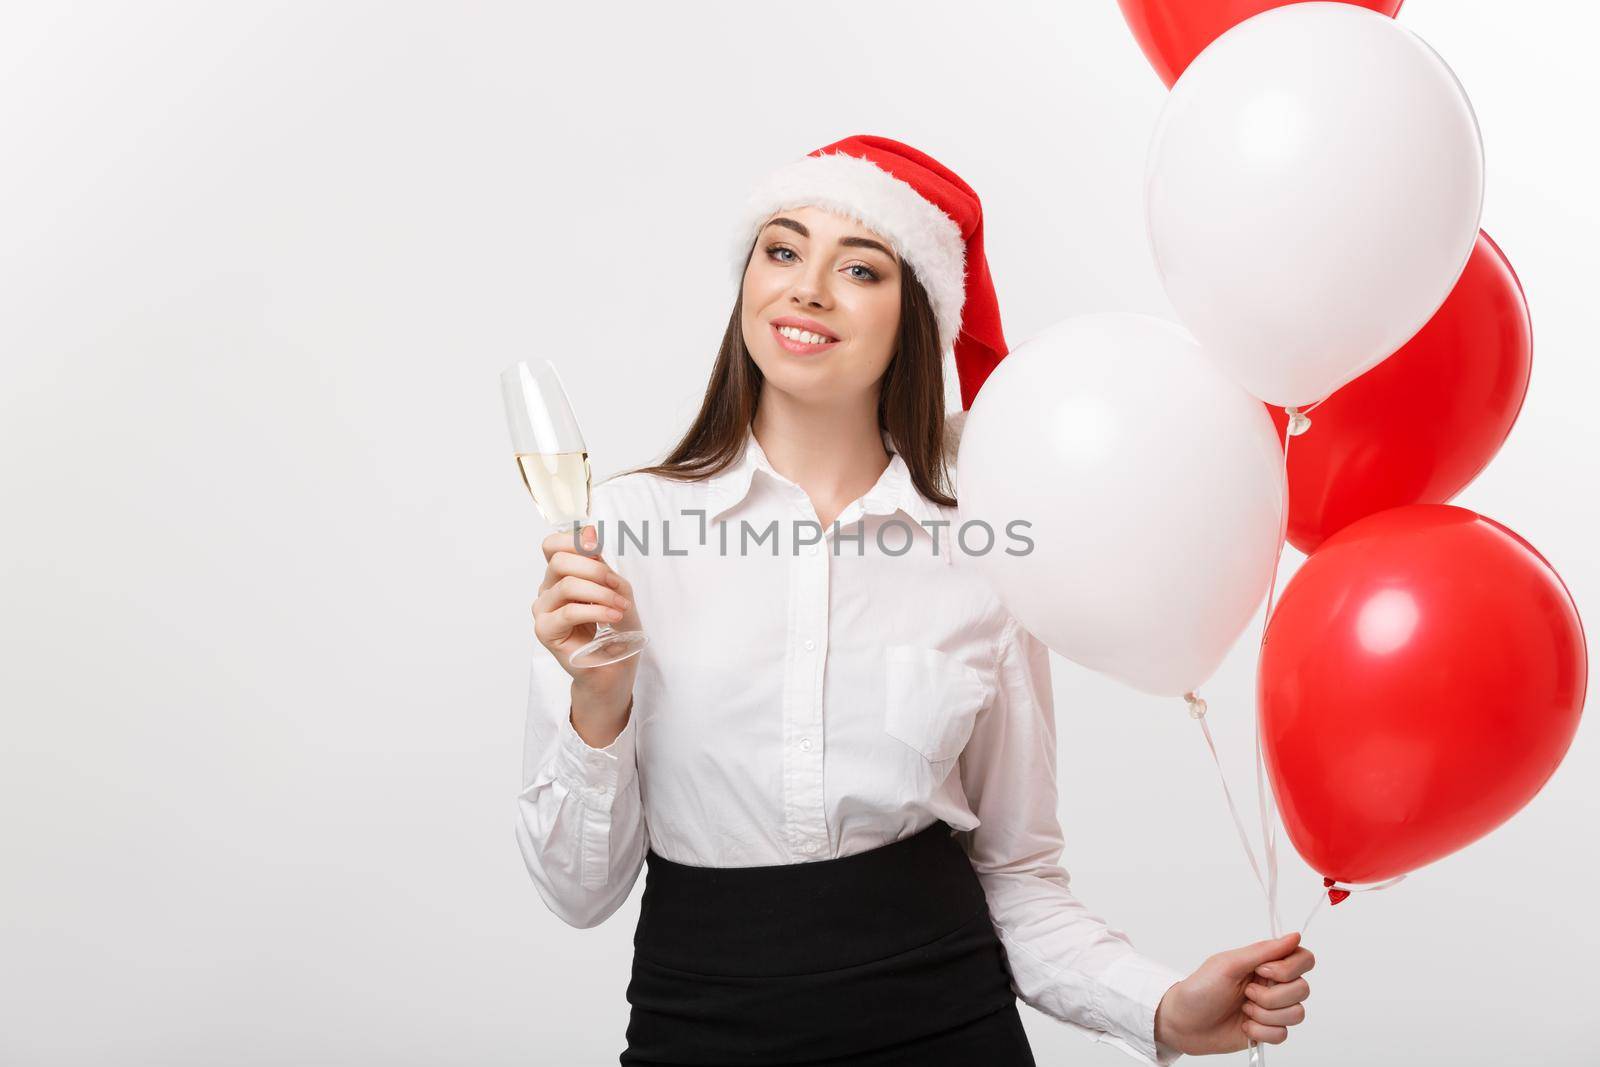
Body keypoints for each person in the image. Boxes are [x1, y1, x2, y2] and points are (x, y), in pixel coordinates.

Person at [516, 134, 1314, 1066]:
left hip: (945, 1030)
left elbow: (1017, 877)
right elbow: (577, 892)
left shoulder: (983, 548)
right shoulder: (619, 531)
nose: (807, 288)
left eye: (859, 268)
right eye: (781, 251)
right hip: (700, 1030)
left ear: (917, 318)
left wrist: (1162, 1007)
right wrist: (598, 703)